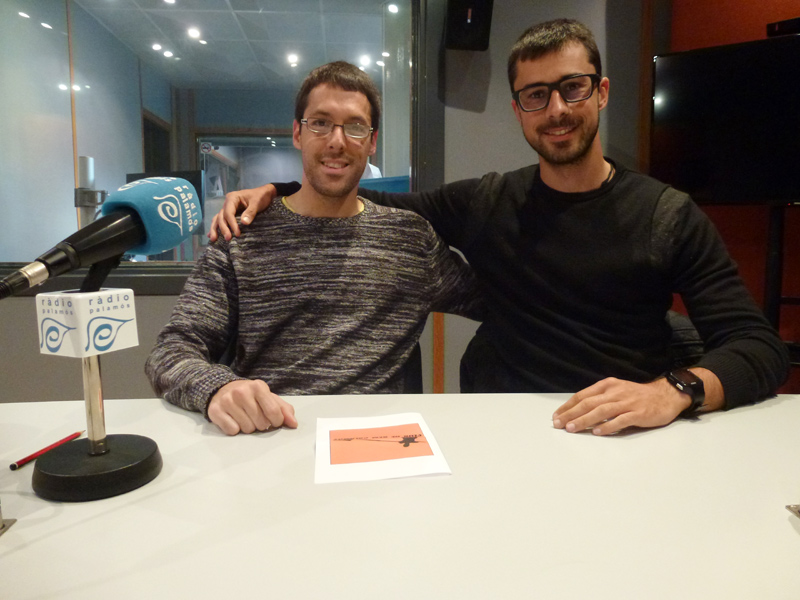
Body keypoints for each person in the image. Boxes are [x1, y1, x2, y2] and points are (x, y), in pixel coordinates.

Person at [208, 19, 790, 436]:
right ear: (519, 110)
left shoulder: (667, 214)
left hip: (628, 428)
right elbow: (364, 199)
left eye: (572, 87)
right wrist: (281, 193)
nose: (556, 109)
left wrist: (671, 393)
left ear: (601, 92)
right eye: (536, 95)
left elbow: (758, 348)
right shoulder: (487, 201)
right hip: (502, 427)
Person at [146, 61, 483, 436]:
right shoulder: (243, 235)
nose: (336, 140)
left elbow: (498, 302)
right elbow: (171, 351)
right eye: (320, 123)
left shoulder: (410, 239)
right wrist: (218, 389)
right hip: (270, 434)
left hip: (376, 445)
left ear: (371, 142)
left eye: (354, 126)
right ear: (297, 133)